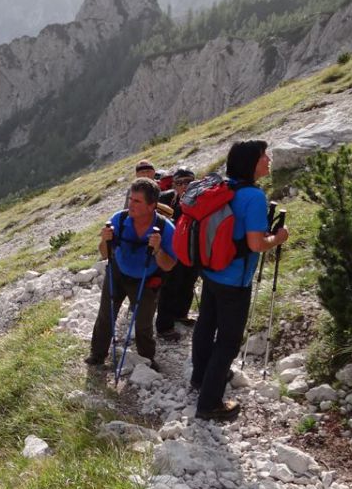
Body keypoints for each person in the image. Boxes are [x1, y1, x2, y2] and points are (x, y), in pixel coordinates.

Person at [190, 141, 288, 421]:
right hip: (234, 279)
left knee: (206, 325)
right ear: (250, 163)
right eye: (263, 156)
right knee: (229, 341)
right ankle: (209, 403)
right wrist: (279, 238)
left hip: (210, 270)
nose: (268, 160)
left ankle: (200, 378)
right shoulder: (253, 197)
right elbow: (256, 244)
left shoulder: (222, 188)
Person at [87, 177, 178, 372]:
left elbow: (169, 265)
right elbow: (105, 253)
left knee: (144, 322)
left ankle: (146, 359)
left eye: (137, 201)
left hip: (147, 279)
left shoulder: (166, 229)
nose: (131, 205)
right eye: (130, 199)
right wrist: (104, 240)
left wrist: (158, 249)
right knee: (106, 314)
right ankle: (97, 354)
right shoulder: (118, 219)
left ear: (152, 205)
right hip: (118, 272)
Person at [155, 167, 198, 341]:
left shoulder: (201, 199)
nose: (184, 186)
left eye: (188, 181)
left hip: (192, 248)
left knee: (188, 282)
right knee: (170, 285)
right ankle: (164, 326)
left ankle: (180, 314)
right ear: (174, 185)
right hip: (171, 248)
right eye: (180, 183)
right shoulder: (165, 199)